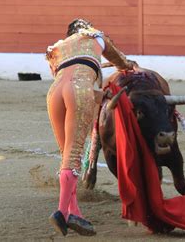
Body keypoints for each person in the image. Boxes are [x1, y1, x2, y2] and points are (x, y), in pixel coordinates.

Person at [46, 19, 136, 236]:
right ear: (85, 28)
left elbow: (66, 78)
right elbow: (120, 61)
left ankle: (74, 211)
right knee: (74, 154)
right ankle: (62, 213)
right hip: (79, 89)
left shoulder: (57, 47)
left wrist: (100, 95)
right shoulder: (95, 35)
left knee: (66, 153)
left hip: (53, 93)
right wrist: (127, 66)